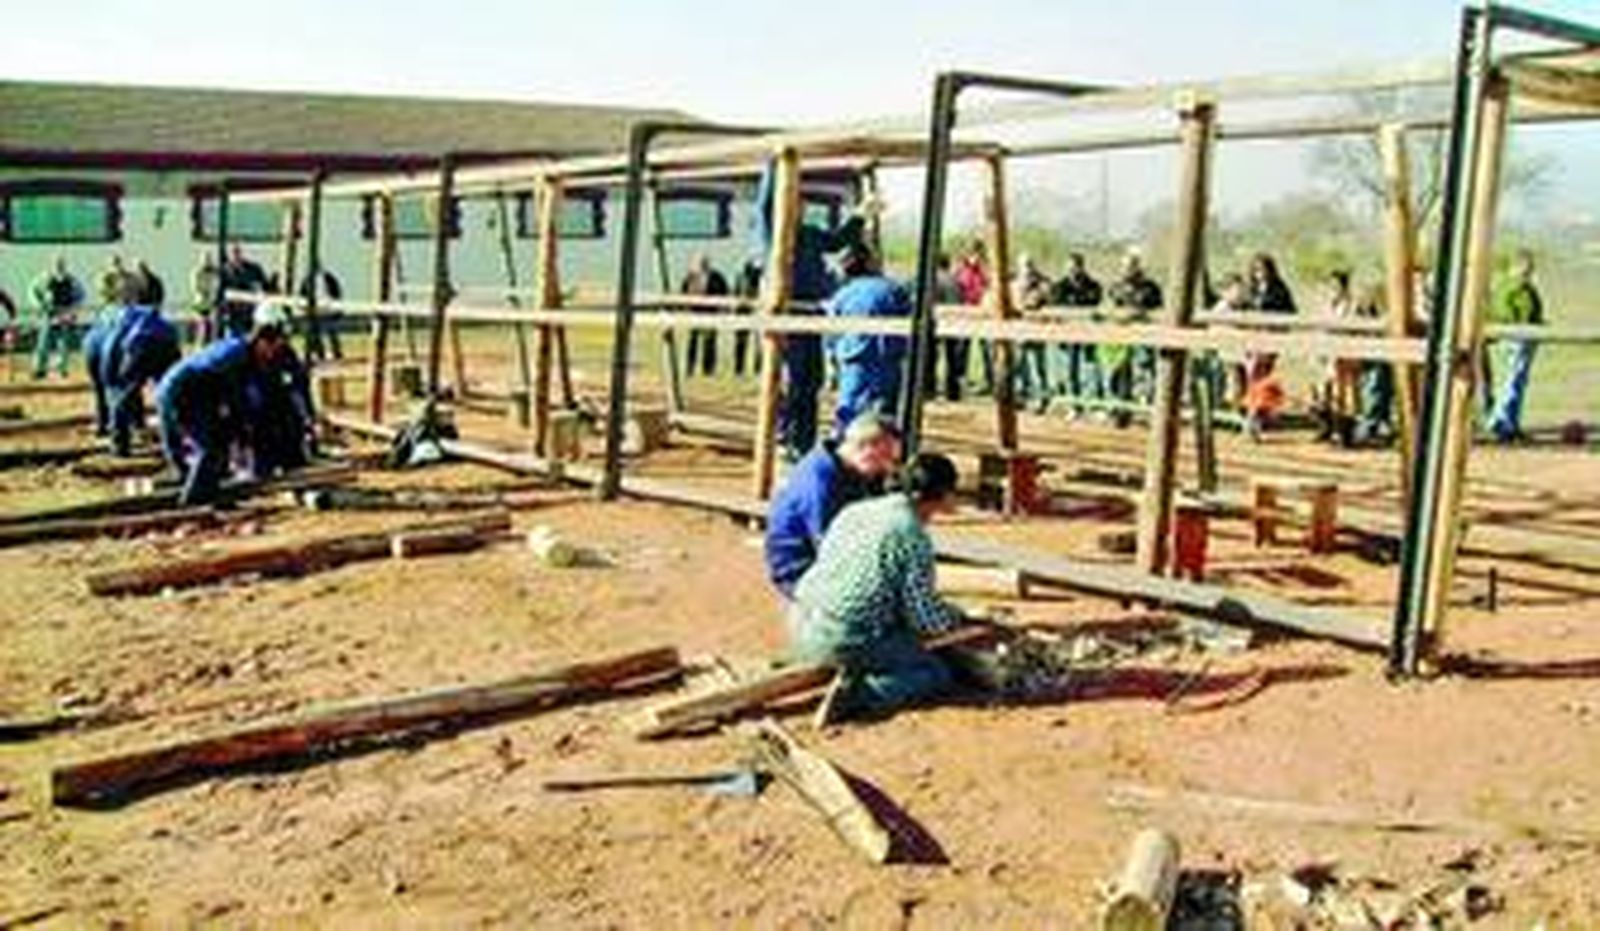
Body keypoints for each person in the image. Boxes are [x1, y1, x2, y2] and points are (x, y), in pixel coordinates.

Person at [788, 452, 969, 722]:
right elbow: (926, 619)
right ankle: (862, 696)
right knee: (933, 672)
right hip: (839, 637)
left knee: (887, 631)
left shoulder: (857, 510)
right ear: (942, 494)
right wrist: (960, 619)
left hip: (800, 621)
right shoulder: (910, 533)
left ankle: (855, 668)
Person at [753, 164, 871, 462]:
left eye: (802, 206)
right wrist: (776, 164)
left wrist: (860, 214)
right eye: (793, 204)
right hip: (785, 314)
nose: (800, 210)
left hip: (810, 315)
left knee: (811, 380)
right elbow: (764, 204)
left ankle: (803, 443)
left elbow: (837, 240)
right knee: (790, 380)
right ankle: (784, 435)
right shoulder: (773, 233)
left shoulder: (809, 233)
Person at [155, 303, 292, 506]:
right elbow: (237, 402)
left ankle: (212, 493)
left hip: (192, 393)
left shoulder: (245, 354)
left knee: (219, 440)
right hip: (181, 392)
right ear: (262, 340)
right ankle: (193, 503)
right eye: (273, 347)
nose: (273, 354)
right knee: (209, 449)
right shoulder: (236, 357)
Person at [764, 413, 902, 598]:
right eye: (885, 457)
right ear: (864, 448)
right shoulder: (820, 481)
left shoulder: (851, 466)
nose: (888, 467)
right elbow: (829, 545)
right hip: (800, 568)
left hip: (829, 553)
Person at [824, 245, 912, 433]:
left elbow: (831, 334)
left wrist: (832, 362)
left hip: (853, 362)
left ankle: (844, 451)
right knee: (884, 418)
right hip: (887, 362)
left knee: (848, 414)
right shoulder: (892, 289)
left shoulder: (842, 295)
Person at [101, 300, 182, 457]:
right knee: (170, 394)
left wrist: (112, 380)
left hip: (141, 344)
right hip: (168, 343)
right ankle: (178, 439)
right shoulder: (152, 316)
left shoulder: (119, 320)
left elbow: (111, 351)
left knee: (123, 393)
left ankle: (119, 445)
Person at [1487, 249, 1544, 444]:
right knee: (1512, 381)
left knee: (1517, 381)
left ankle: (1510, 423)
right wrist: (1523, 326)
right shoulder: (1511, 288)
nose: (1529, 272)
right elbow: (1503, 313)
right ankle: (1500, 422)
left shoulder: (1525, 288)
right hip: (1515, 340)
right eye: (1526, 267)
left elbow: (1531, 312)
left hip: (1525, 339)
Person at [1241, 252, 1296, 439]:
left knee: (1260, 375)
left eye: (1262, 269)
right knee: (1252, 377)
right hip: (1251, 338)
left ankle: (1255, 416)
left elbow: (1290, 312)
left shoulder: (1279, 289)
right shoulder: (1250, 290)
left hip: (1269, 339)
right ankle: (1256, 414)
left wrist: (1279, 332)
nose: (1259, 273)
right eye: (1256, 270)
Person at [1104, 251, 1162, 426]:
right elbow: (1108, 308)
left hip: (1145, 336)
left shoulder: (1151, 287)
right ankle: (1120, 410)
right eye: (1125, 265)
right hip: (1120, 337)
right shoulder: (1115, 287)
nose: (1128, 269)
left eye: (1131, 265)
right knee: (1119, 373)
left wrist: (1140, 314)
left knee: (1145, 373)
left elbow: (1158, 309)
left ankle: (1148, 411)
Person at [1052, 252, 1103, 417]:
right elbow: (1056, 306)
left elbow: (1094, 302)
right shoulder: (1059, 286)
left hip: (1088, 333)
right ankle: (1074, 405)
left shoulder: (1093, 285)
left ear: (1081, 267)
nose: (1072, 270)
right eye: (1069, 267)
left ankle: (1095, 405)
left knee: (1091, 369)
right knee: (1069, 370)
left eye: (1075, 267)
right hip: (1068, 334)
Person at [29, 256, 86, 380]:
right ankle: (39, 369)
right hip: (48, 315)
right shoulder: (44, 278)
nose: (59, 266)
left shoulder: (71, 280)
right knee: (43, 343)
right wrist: (39, 305)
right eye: (56, 263)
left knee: (63, 344)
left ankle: (62, 369)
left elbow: (81, 294)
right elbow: (32, 291)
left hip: (64, 314)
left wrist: (73, 309)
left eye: (61, 264)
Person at [1010, 254, 1054, 411]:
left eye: (1029, 265)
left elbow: (1043, 301)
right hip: (1018, 332)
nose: (1027, 268)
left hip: (1036, 332)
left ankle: (1042, 398)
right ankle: (1021, 396)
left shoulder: (1042, 285)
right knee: (1019, 366)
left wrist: (1033, 297)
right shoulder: (1013, 285)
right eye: (1024, 265)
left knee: (1038, 367)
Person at [680, 254, 730, 378]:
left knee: (710, 343)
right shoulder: (690, 277)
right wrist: (685, 308)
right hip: (694, 314)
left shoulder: (717, 277)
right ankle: (689, 368)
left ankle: (708, 370)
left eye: (704, 262)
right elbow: (683, 292)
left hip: (711, 314)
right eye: (700, 263)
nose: (702, 265)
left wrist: (723, 309)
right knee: (692, 341)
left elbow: (724, 292)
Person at [953, 240, 991, 394]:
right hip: (965, 314)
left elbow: (988, 288)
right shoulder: (960, 271)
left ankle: (990, 380)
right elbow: (957, 290)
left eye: (979, 254)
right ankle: (961, 380)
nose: (976, 258)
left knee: (986, 348)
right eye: (974, 254)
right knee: (962, 349)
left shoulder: (985, 272)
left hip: (982, 314)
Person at [931, 252, 967, 402]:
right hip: (953, 323)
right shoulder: (955, 281)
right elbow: (960, 301)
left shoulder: (932, 280)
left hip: (934, 324)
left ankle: (929, 389)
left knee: (931, 358)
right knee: (952, 360)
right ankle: (952, 392)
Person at [220, 245, 270, 337]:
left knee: (249, 337)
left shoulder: (253, 268)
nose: (236, 256)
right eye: (233, 253)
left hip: (249, 311)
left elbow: (265, 285)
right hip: (233, 312)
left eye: (238, 252)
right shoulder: (225, 271)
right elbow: (221, 291)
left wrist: (261, 293)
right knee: (232, 337)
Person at [298, 267, 345, 360]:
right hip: (315, 310)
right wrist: (304, 308)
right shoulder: (308, 280)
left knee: (331, 331)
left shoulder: (328, 278)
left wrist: (337, 308)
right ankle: (319, 353)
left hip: (328, 309)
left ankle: (336, 352)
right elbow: (303, 294)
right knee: (314, 333)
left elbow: (336, 292)